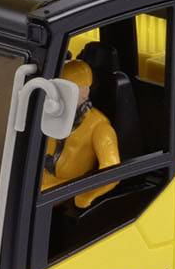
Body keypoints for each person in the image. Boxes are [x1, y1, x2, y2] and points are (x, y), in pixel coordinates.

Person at [42, 56, 118, 207]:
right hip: (38, 180)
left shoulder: (99, 127)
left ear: (84, 91)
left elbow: (112, 169)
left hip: (63, 190)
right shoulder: (50, 113)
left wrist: (86, 196)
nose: (58, 95)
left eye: (65, 90)